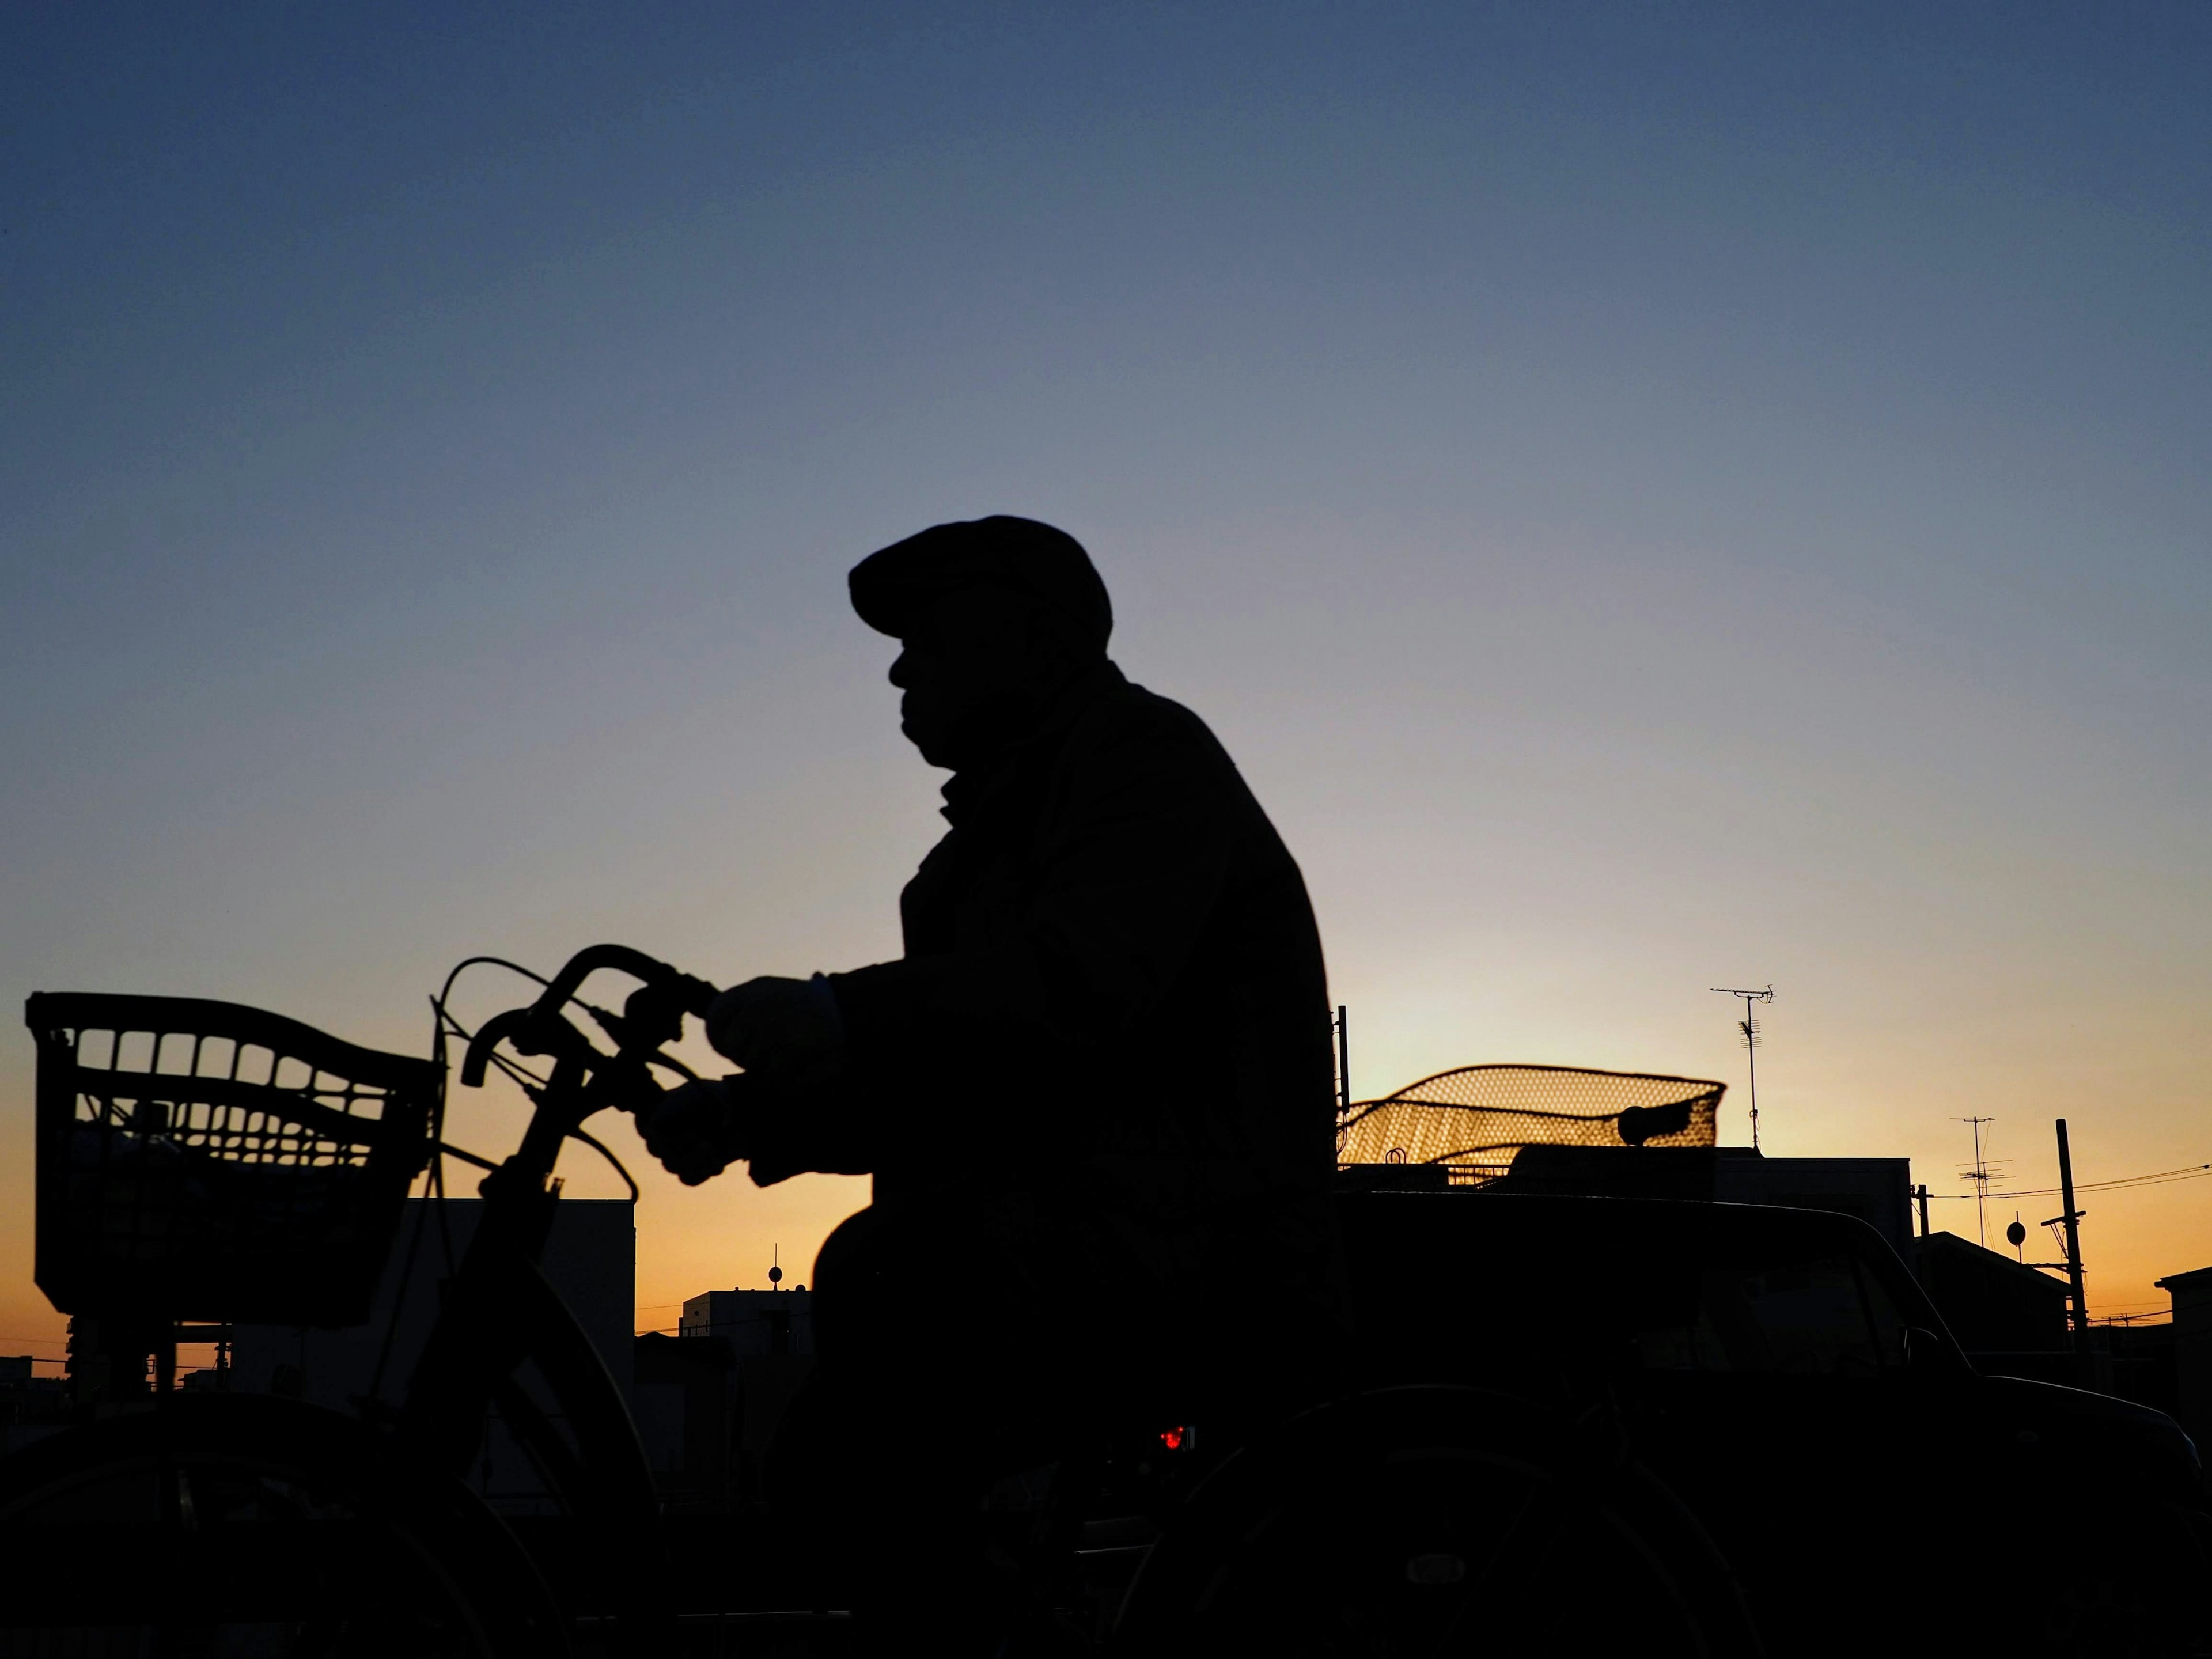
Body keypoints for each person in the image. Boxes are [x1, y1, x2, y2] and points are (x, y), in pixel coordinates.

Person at [642, 515, 1346, 1645]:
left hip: (1207, 1237)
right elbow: (957, 1084)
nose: (900, 665)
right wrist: (751, 1114)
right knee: (829, 1464)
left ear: (1039, 639)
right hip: (1099, 1223)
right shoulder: (970, 860)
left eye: (933, 633)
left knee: (885, 1297)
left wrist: (833, 1010)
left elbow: (1080, 986)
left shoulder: (1138, 755)